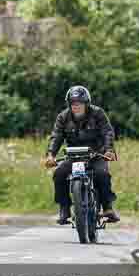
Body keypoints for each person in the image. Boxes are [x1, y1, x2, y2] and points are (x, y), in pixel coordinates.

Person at [42, 85, 119, 225]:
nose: (76, 106)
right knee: (59, 173)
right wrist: (50, 155)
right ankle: (64, 209)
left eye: (79, 103)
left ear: (86, 103)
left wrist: (109, 150)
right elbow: (56, 136)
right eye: (73, 103)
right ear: (69, 104)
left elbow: (107, 132)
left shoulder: (98, 113)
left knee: (102, 174)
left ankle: (108, 208)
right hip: (74, 156)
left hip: (96, 154)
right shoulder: (63, 117)